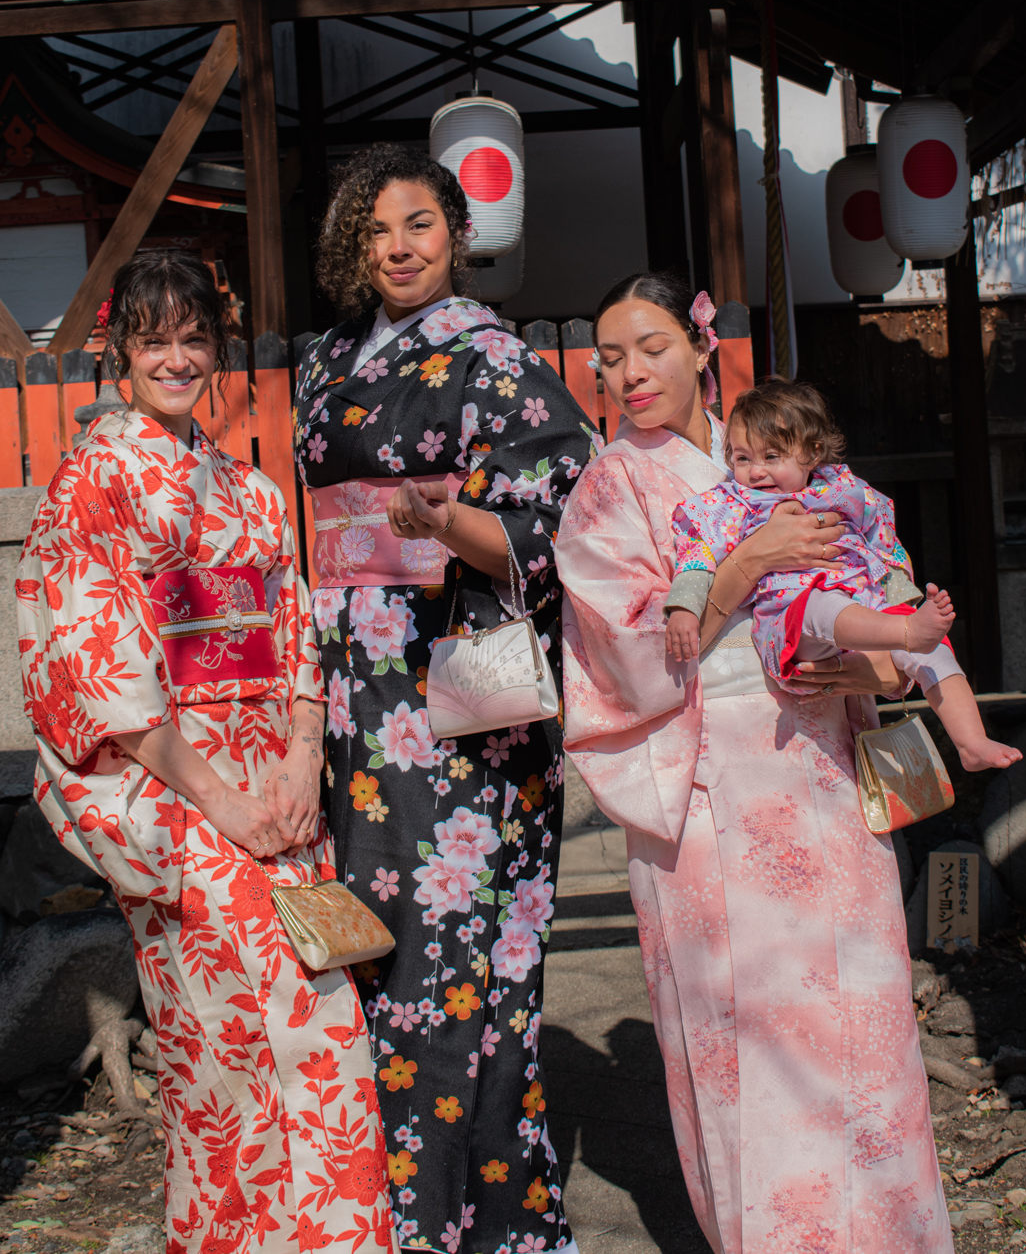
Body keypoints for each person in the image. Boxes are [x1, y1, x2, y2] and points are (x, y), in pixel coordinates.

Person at [554, 270, 954, 1254]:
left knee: (862, 1027)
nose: (631, 373)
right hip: (711, 789)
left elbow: (871, 580)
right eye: (611, 358)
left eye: (652, 347)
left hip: (821, 765)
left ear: (701, 347)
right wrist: (745, 565)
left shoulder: (778, 456)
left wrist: (874, 663)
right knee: (751, 1047)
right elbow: (626, 656)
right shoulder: (611, 487)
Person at [18, 251, 394, 1254]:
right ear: (120, 351)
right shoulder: (96, 477)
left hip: (277, 795)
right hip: (182, 800)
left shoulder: (251, 490)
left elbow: (295, 633)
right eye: (155, 341)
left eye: (195, 339)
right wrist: (222, 800)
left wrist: (301, 764)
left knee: (317, 1026)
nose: (178, 359)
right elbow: (94, 665)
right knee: (232, 1045)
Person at [293, 143, 594, 1254]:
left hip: (449, 695)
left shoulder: (491, 354)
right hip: (348, 687)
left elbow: (549, 515)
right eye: (377, 232)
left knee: (451, 958)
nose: (399, 249)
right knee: (374, 949)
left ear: (455, 234)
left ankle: (470, 1223)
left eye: (418, 225)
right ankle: (386, 1210)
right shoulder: (330, 357)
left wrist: (440, 522)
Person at [664, 377, 1022, 774]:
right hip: (792, 619)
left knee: (933, 649)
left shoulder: (845, 489)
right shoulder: (732, 502)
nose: (755, 471)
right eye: (742, 458)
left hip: (865, 608)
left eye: (772, 456)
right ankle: (904, 634)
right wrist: (684, 607)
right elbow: (696, 554)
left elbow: (884, 540)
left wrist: (899, 594)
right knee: (824, 604)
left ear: (812, 453)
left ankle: (971, 742)